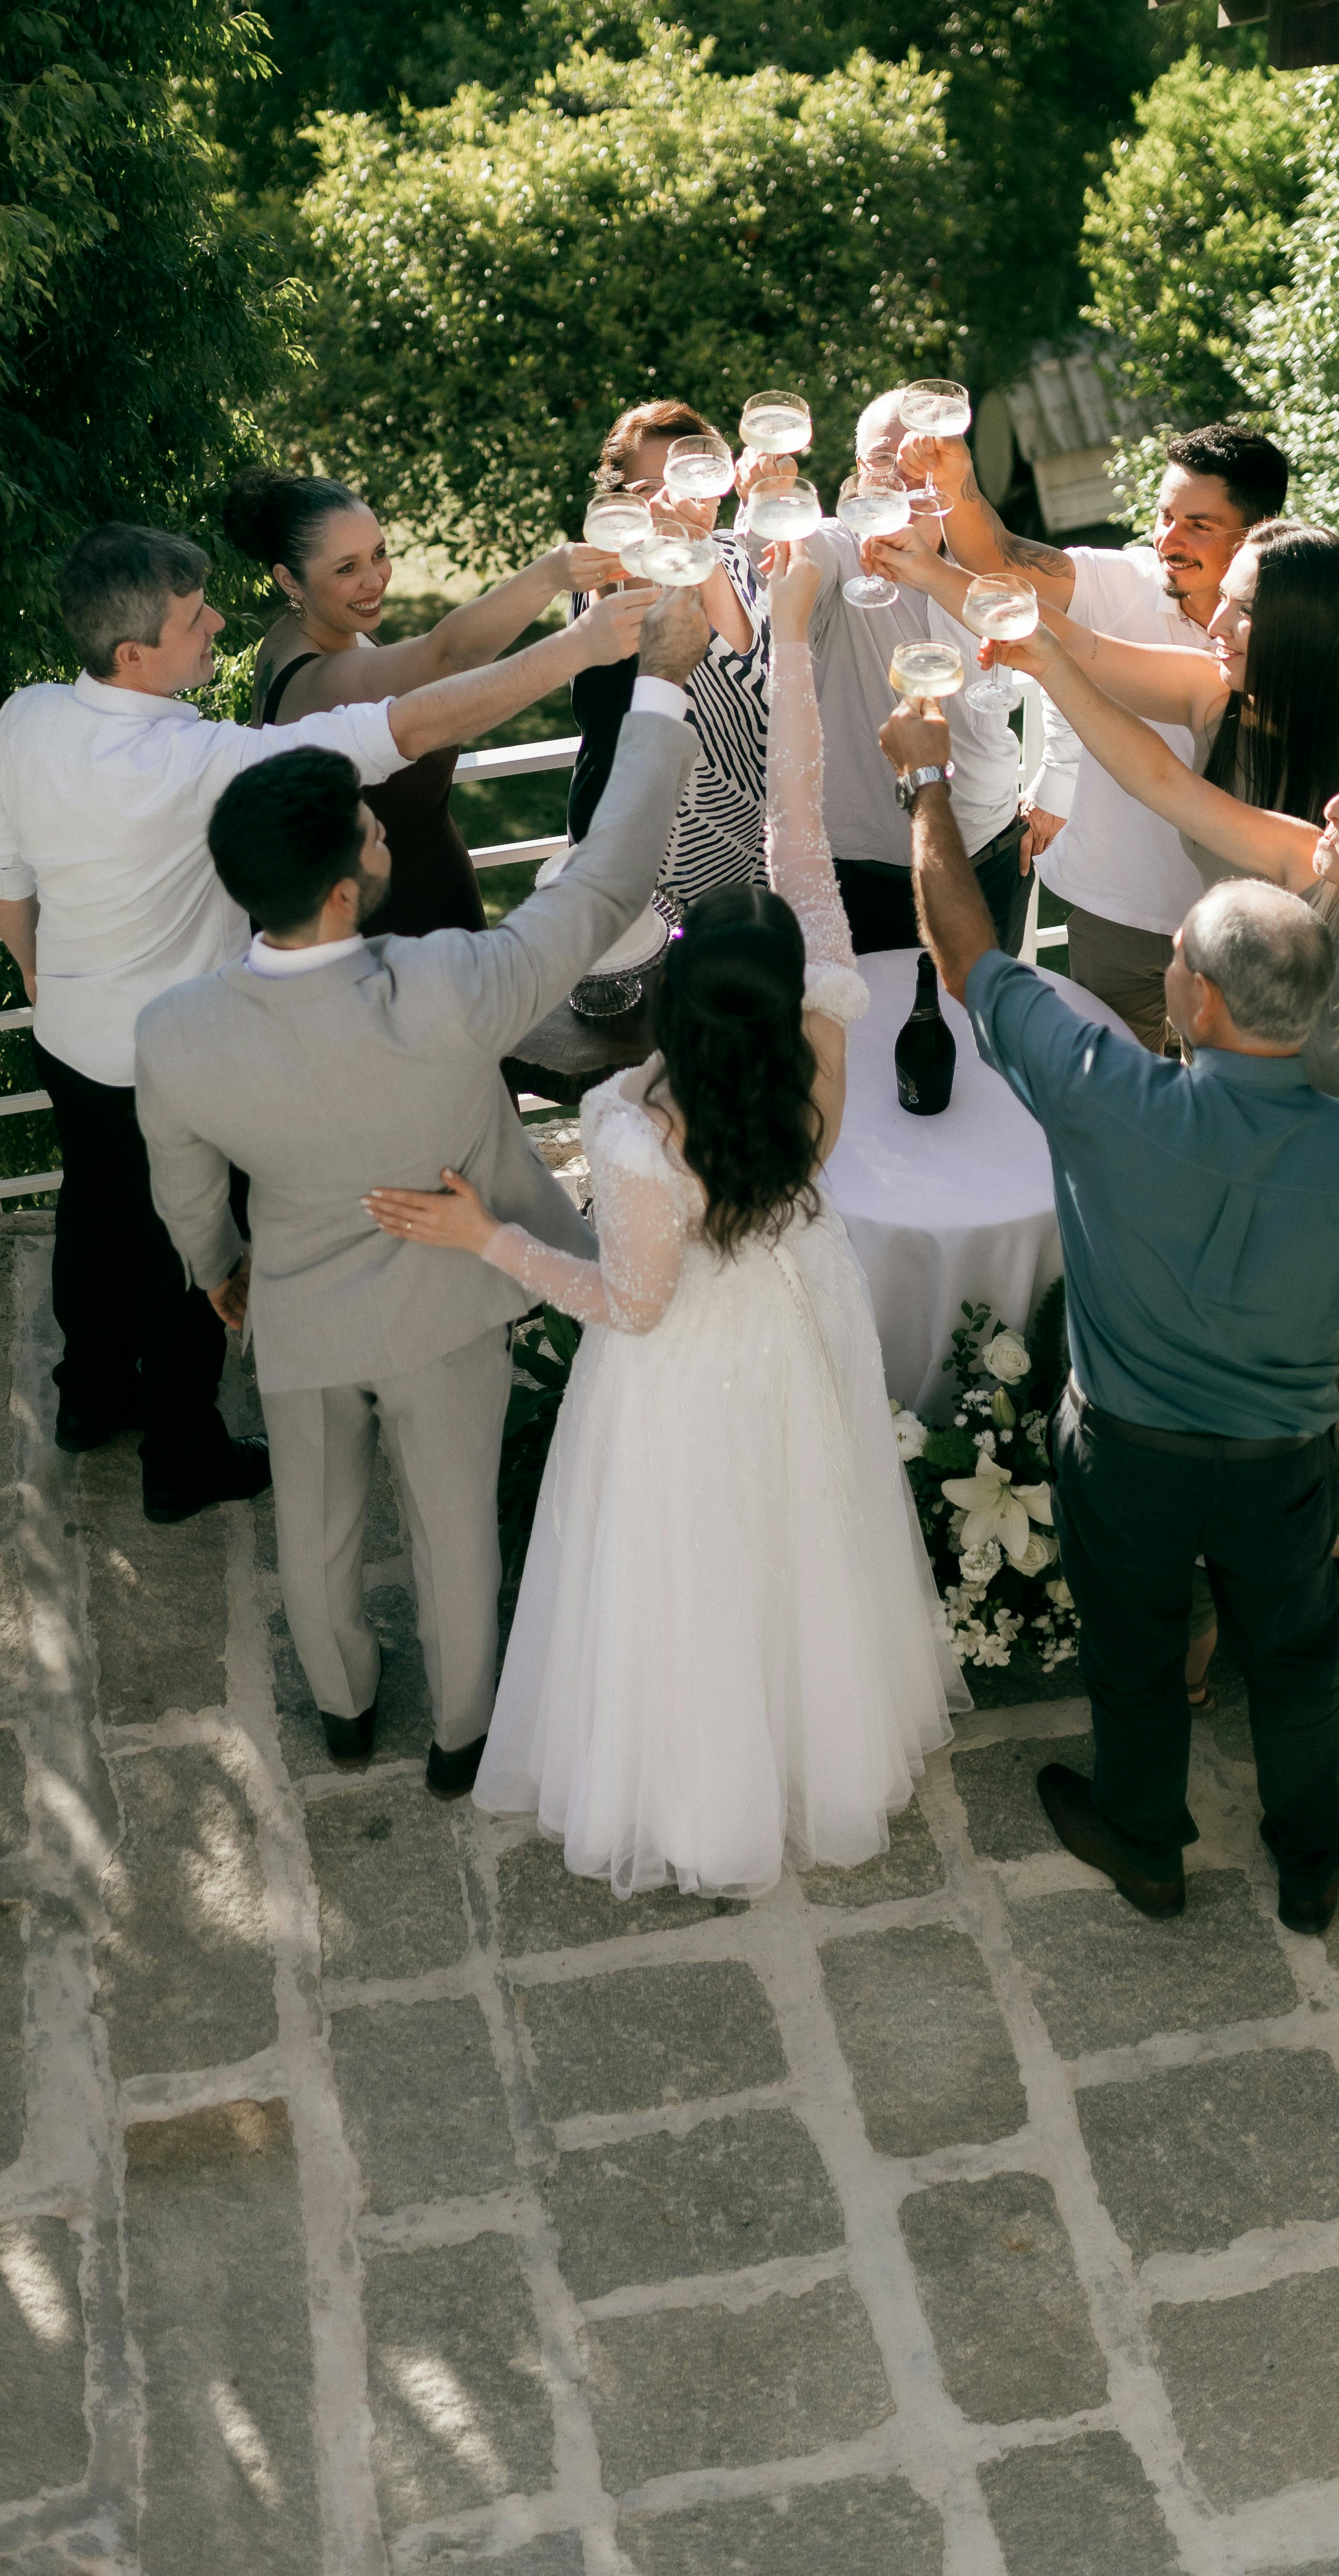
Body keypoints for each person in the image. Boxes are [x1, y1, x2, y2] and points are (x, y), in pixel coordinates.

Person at [363, 544, 966, 1898]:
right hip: (797, 1310)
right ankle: (810, 1747)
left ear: (680, 1013)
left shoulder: (644, 1138)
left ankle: (705, 1809)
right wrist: (793, 637)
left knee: (689, 1579)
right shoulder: (825, 1017)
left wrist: (489, 1242)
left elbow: (628, 1304)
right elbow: (795, 815)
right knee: (802, 1548)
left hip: (688, 1373)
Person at [879, 694, 1339, 1932]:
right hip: (1280, 1462)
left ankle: (1144, 1837)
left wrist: (927, 784)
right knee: (1298, 1657)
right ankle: (1315, 1849)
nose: (1165, 972)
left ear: (1200, 1004)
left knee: (1138, 1654)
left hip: (1127, 1455)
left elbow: (963, 951)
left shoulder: (1106, 1092)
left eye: (1176, 963)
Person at [133, 589, 707, 1793]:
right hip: (448, 1299)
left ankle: (342, 1708)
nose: (386, 835)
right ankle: (462, 1734)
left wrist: (226, 1269)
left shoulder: (175, 1032)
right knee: (454, 1531)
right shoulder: (450, 986)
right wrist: (659, 685)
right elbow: (608, 881)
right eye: (373, 831)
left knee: (318, 1523)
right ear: (343, 885)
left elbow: (185, 1187)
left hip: (295, 1301)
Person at [0, 521, 645, 1524]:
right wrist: (580, 647)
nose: (217, 622)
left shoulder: (24, 720)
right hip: (182, 1056)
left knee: (96, 1213)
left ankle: (88, 1397)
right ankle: (182, 1458)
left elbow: (4, 876)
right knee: (189, 1259)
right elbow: (407, 727)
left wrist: (42, 978)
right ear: (132, 655)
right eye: (193, 616)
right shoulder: (197, 757)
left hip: (70, 1043)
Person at [990, 618, 1339, 1651]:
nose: (1331, 804)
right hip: (1325, 1217)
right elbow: (1165, 784)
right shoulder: (1319, 878)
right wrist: (1048, 665)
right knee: (1336, 1434)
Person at [892, 422, 1288, 1046]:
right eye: (1164, 516)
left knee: (1219, 1109)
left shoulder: (1290, 629)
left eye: (1198, 526)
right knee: (1112, 1102)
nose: (1168, 539)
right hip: (1115, 911)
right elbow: (995, 557)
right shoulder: (1118, 580)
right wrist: (956, 480)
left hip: (1238, 922)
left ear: (1258, 531)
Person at [228, 464, 627, 938]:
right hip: (385, 930)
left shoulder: (315, 630)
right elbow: (450, 654)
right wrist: (552, 574)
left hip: (435, 893)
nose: (375, 580)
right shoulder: (313, 680)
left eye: (379, 554)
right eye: (346, 568)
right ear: (289, 580)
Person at [800, 391, 1075, 955]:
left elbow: (1066, 654)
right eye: (884, 457)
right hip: (866, 864)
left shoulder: (992, 566)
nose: (903, 471)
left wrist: (1058, 780)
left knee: (986, 1023)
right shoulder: (835, 550)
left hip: (989, 847)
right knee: (867, 1032)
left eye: (919, 454)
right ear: (859, 470)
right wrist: (771, 501)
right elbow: (779, 557)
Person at [565, 399, 771, 911]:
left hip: (735, 865)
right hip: (618, 860)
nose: (666, 502)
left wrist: (695, 549)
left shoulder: (736, 561)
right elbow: (621, 648)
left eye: (684, 479)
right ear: (617, 502)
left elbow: (755, 691)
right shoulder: (596, 576)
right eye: (646, 489)